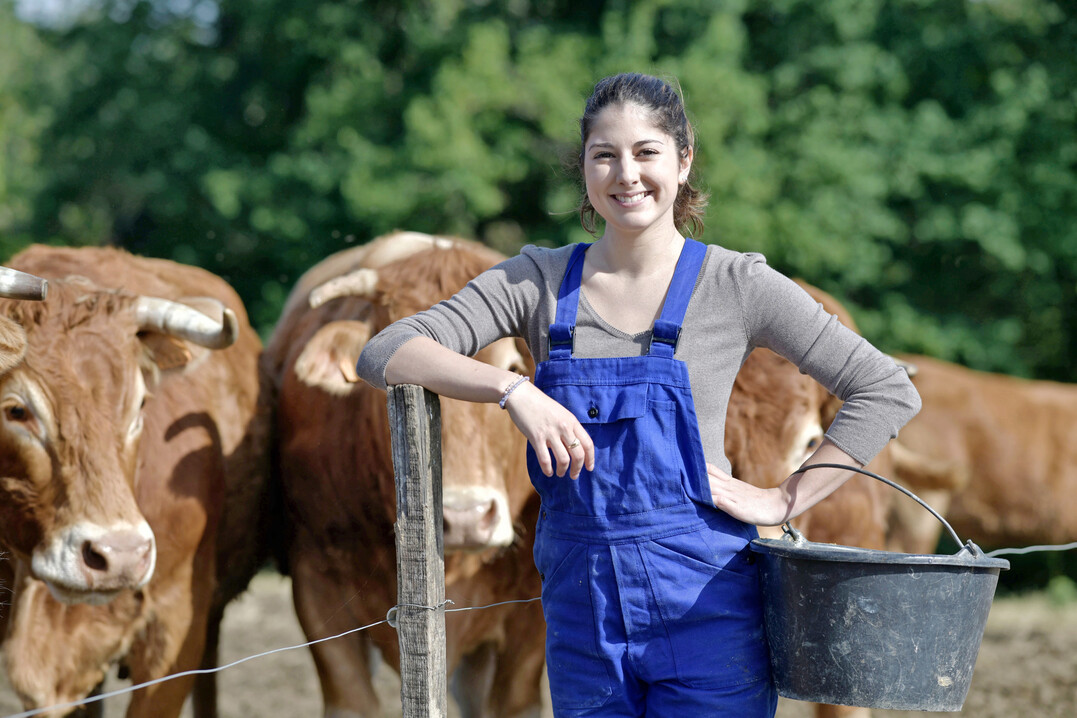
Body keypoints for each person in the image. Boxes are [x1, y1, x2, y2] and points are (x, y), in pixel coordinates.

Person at [356, 72, 921, 717]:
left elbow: (885, 388)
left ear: (683, 163)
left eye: (647, 152)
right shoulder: (537, 280)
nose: (627, 174)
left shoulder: (737, 284)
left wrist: (784, 496)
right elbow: (386, 350)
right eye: (605, 155)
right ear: (585, 172)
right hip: (582, 619)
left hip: (709, 611)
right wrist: (512, 388)